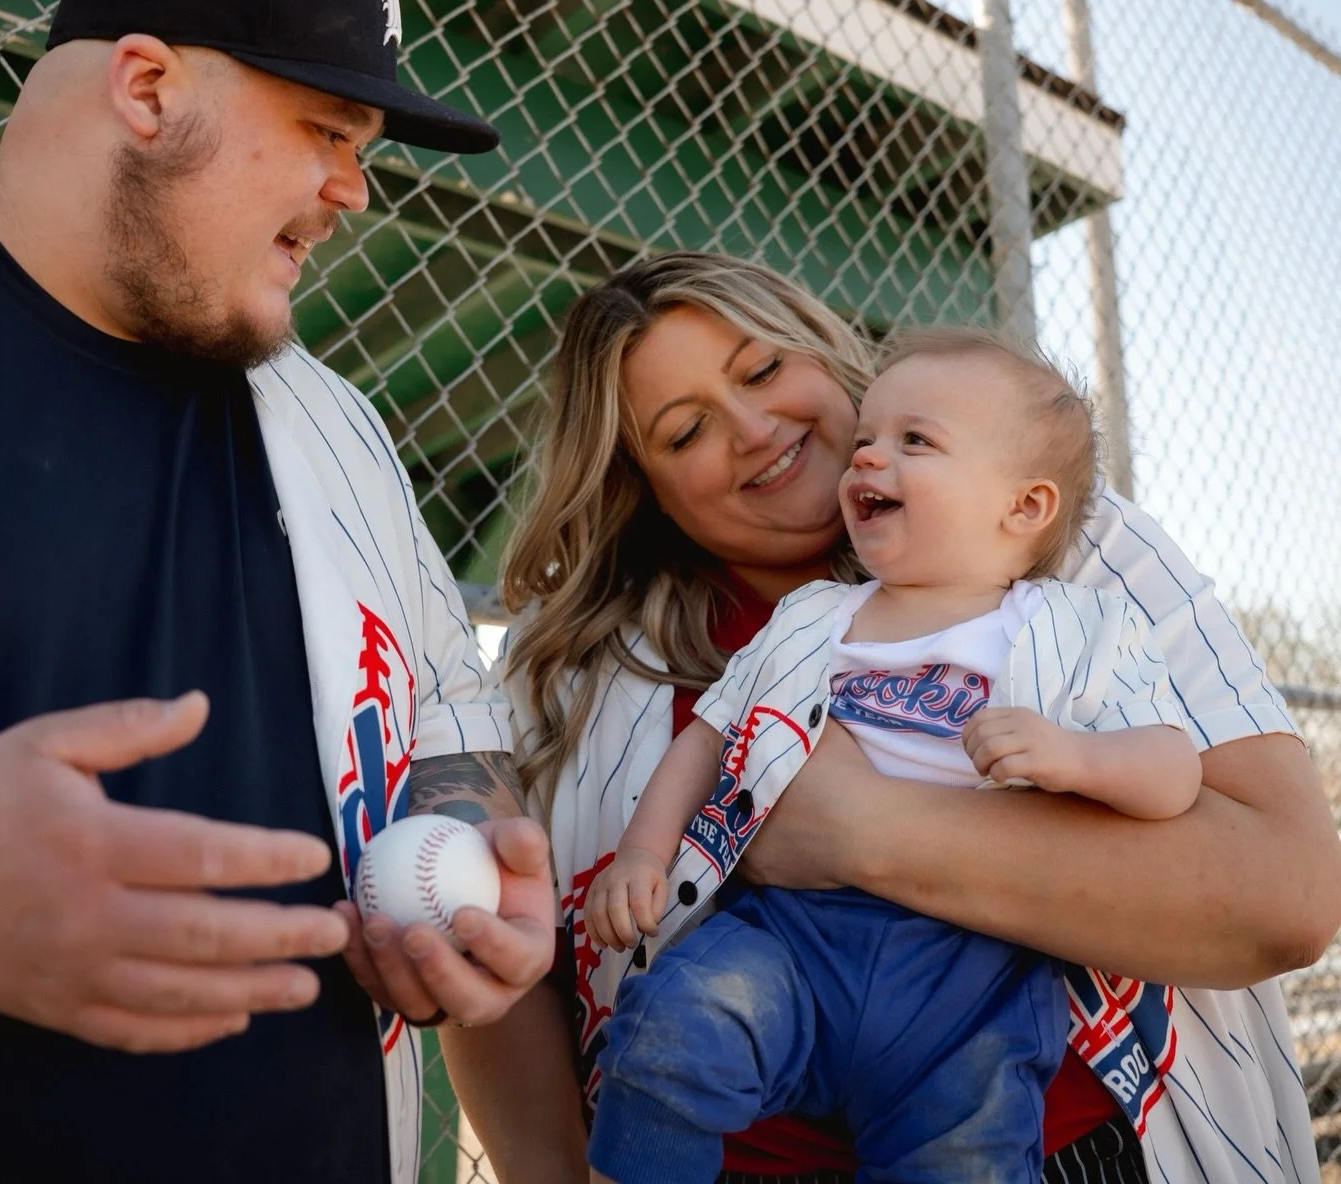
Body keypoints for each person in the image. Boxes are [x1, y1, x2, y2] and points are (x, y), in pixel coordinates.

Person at [0, 0, 553, 1184]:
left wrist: (468, 874)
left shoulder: (338, 422)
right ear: (146, 90)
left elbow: (443, 727)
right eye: (326, 128)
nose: (355, 190)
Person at [440, 251, 1340, 1184]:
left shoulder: (1058, 539)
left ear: (825, 357)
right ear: (646, 486)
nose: (753, 429)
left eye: (762, 370)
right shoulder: (573, 669)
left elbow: (1287, 897)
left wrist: (860, 831)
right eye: (686, 431)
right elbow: (502, 969)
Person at [582, 326, 1201, 1184]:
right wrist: (644, 855)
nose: (869, 458)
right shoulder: (814, 618)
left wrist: (1075, 757)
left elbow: (1176, 770)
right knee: (673, 1026)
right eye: (867, 438)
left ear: (1024, 507)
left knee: (966, 1151)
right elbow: (710, 734)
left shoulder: (1075, 626)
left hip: (975, 967)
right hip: (790, 936)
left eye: (915, 441)